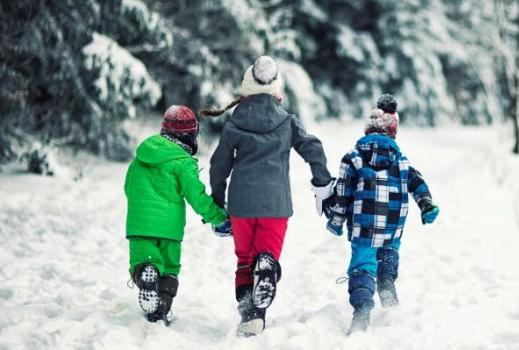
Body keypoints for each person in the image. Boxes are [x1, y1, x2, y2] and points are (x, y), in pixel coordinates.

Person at [204, 55, 334, 336]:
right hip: (275, 204)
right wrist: (322, 183)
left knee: (243, 260)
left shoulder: (234, 125)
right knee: (266, 257)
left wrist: (217, 200)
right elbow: (314, 149)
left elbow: (219, 166)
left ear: (247, 87)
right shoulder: (288, 122)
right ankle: (265, 276)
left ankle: (250, 314)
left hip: (241, 205)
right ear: (276, 89)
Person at [325, 94, 440, 334]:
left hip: (364, 228)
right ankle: (387, 285)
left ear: (367, 131)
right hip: (392, 227)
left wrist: (336, 222)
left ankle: (362, 308)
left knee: (363, 266)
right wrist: (426, 204)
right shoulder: (401, 160)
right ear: (393, 134)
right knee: (388, 255)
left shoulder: (353, 158)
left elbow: (343, 192)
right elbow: (417, 183)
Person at [124, 105, 231, 325]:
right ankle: (160, 311)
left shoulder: (141, 156)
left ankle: (146, 272)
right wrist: (219, 218)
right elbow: (197, 196)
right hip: (170, 229)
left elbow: (128, 186)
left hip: (139, 225)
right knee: (169, 270)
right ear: (189, 134)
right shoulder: (182, 162)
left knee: (143, 261)